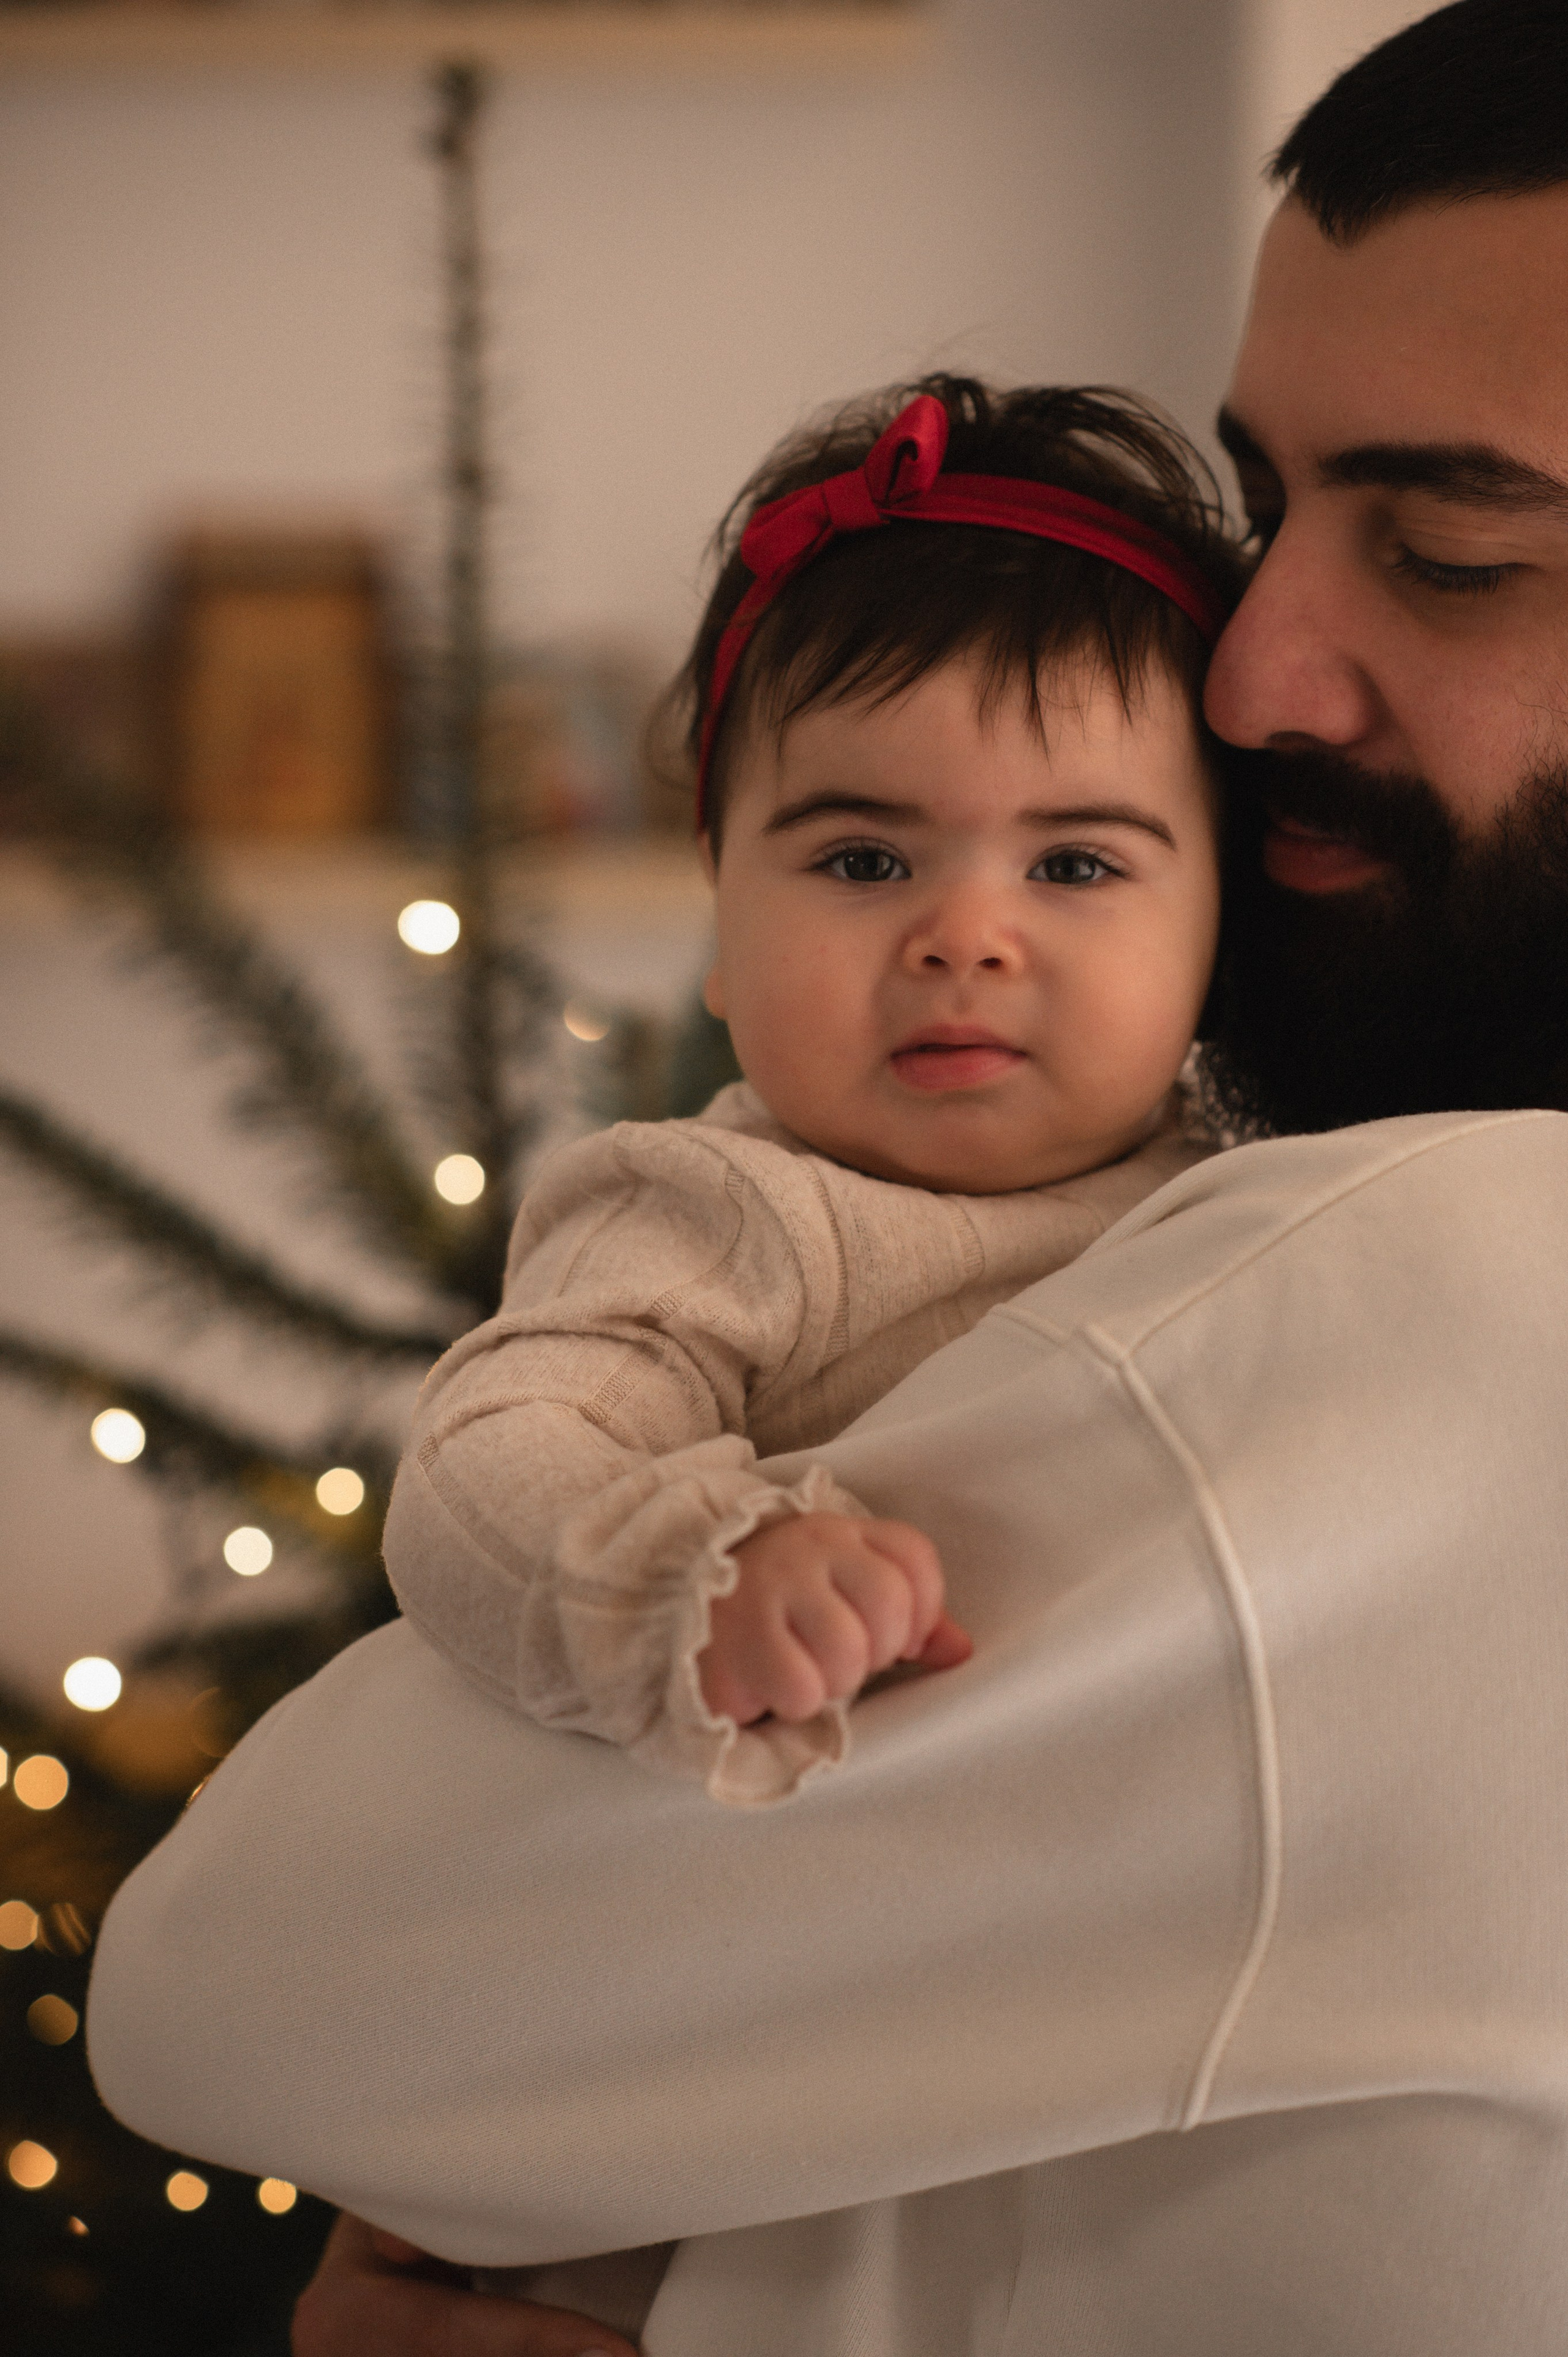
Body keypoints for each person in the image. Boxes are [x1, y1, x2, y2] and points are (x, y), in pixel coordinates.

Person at [83, 4, 1568, 2351]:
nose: (1256, 667)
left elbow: (223, 1985)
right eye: (1264, 514)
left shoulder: (1457, 1300)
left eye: (1462, 551)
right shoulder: (739, 1209)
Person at [383, 378, 1241, 1807]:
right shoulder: (724, 1213)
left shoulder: (1252, 1187)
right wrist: (699, 1582)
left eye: (1074, 865)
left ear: (1219, 931)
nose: (964, 936)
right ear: (723, 911)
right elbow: (485, 1464)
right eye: (862, 860)